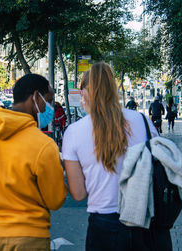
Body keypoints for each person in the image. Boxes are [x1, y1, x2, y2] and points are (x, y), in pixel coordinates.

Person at [62, 62, 166, 251]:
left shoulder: (73, 132)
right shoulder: (143, 122)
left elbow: (79, 194)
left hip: (103, 227)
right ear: (114, 88)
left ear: (84, 92)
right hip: (143, 220)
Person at [0, 74, 67, 251]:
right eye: (48, 100)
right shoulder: (44, 145)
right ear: (35, 97)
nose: (50, 107)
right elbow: (55, 200)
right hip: (30, 238)